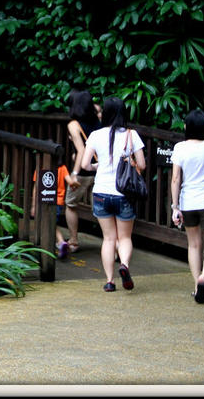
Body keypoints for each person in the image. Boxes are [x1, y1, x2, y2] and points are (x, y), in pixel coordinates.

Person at [81, 96, 145, 292]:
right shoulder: (131, 135)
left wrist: (97, 166)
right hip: (123, 193)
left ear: (106, 113)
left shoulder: (95, 135)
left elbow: (84, 165)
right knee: (124, 238)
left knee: (108, 238)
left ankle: (110, 281)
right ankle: (123, 265)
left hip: (101, 192)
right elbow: (142, 165)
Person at [170, 108, 204, 304]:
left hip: (188, 201)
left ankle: (196, 286)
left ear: (187, 126)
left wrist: (175, 206)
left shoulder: (180, 148)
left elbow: (176, 178)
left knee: (193, 245)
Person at [62, 90, 102, 254]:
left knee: (70, 204)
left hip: (84, 172)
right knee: (101, 211)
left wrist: (74, 173)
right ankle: (113, 245)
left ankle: (73, 241)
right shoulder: (98, 120)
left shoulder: (73, 124)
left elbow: (81, 150)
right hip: (100, 170)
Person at [32, 160, 72, 258]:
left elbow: (36, 188)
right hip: (58, 201)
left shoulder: (40, 168)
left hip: (44, 200)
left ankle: (60, 242)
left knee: (49, 223)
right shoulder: (63, 168)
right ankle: (59, 243)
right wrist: (76, 184)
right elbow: (70, 182)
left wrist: (33, 205)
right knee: (52, 223)